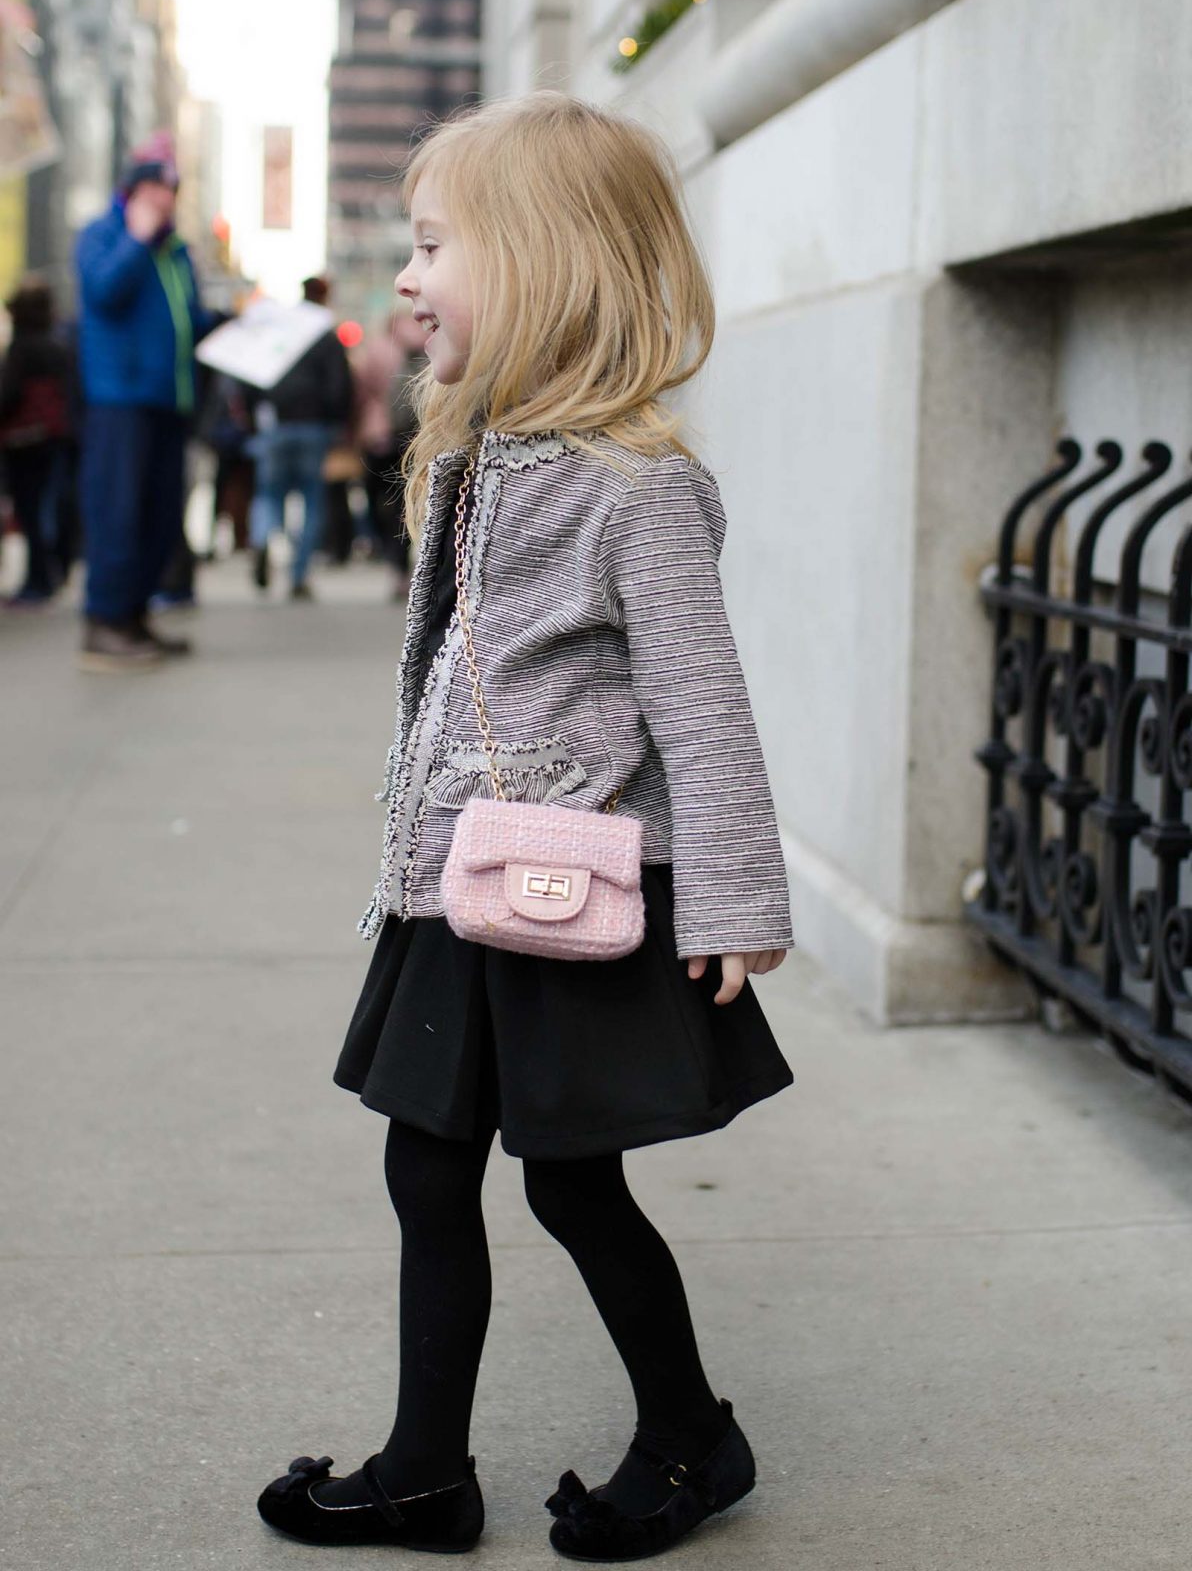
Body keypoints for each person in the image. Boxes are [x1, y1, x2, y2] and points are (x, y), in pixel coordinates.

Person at [256, 94, 795, 1560]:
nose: (408, 275)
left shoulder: (640, 493)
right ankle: (426, 1471)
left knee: (567, 1178)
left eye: (437, 245)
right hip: (452, 888)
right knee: (425, 1167)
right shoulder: (472, 461)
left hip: (567, 895)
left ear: (548, 265)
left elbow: (705, 711)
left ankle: (692, 1434)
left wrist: (736, 899)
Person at [75, 131, 217, 669]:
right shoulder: (104, 235)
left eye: (172, 191)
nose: (166, 199)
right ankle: (104, 620)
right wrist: (135, 240)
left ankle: (132, 615)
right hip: (121, 398)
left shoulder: (175, 251)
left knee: (159, 513)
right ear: (133, 192)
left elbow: (190, 322)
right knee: (118, 509)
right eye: (156, 189)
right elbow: (103, 293)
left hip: (168, 397)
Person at [248, 275, 353, 600]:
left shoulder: (281, 331)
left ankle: (263, 538)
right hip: (314, 426)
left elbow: (256, 375)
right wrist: (338, 421)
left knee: (269, 493)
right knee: (311, 499)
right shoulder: (324, 335)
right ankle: (298, 575)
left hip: (276, 424)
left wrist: (257, 413)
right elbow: (340, 384)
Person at [0, 279, 78, 605]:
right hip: (60, 437)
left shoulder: (22, 348)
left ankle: (38, 579)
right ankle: (54, 571)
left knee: (31, 511)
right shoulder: (60, 345)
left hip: (26, 442)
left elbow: (9, 394)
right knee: (55, 506)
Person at [351, 312, 423, 598]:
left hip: (379, 433)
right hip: (421, 433)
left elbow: (360, 389)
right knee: (415, 501)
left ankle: (396, 565)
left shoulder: (377, 347)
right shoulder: (431, 341)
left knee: (386, 501)